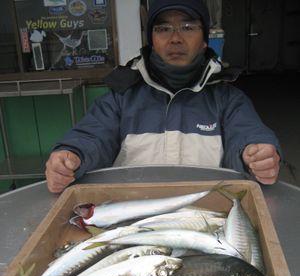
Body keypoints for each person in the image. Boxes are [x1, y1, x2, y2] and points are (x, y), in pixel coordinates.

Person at [45, 0, 281, 193]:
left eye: (188, 27)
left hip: (208, 216)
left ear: (204, 41)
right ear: (152, 41)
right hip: (133, 216)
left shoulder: (228, 99)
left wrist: (257, 156)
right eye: (163, 28)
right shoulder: (121, 97)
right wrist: (71, 155)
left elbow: (248, 135)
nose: (175, 38)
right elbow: (92, 137)